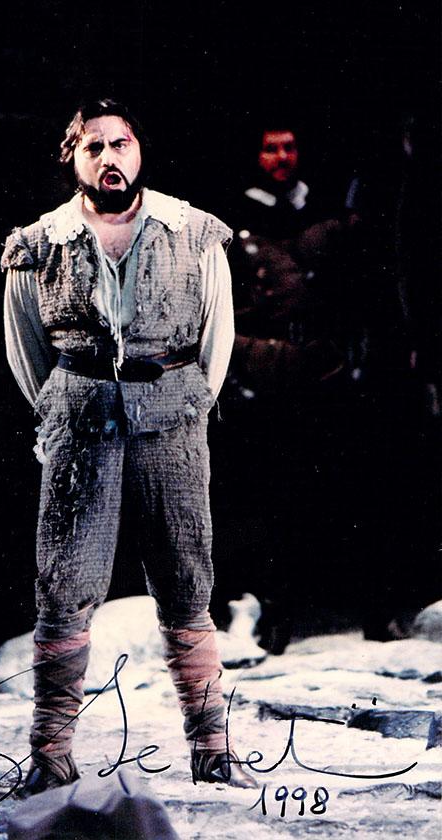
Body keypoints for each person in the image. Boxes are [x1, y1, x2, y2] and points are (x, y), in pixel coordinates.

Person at [2, 98, 256, 796]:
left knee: (184, 576)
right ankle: (51, 752)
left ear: (139, 150)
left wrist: (185, 401)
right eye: (94, 147)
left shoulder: (191, 231)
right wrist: (66, 405)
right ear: (72, 159)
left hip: (171, 415)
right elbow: (27, 350)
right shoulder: (40, 243)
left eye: (121, 144)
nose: (109, 158)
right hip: (80, 420)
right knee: (65, 582)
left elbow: (217, 336)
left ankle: (212, 748)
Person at [211, 124, 361, 652]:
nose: (280, 157)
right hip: (261, 366)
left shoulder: (324, 212)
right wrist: (238, 363)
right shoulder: (233, 217)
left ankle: (325, 604)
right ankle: (261, 607)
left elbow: (351, 289)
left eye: (289, 147)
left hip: (317, 367)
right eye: (270, 148)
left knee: (320, 490)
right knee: (258, 493)